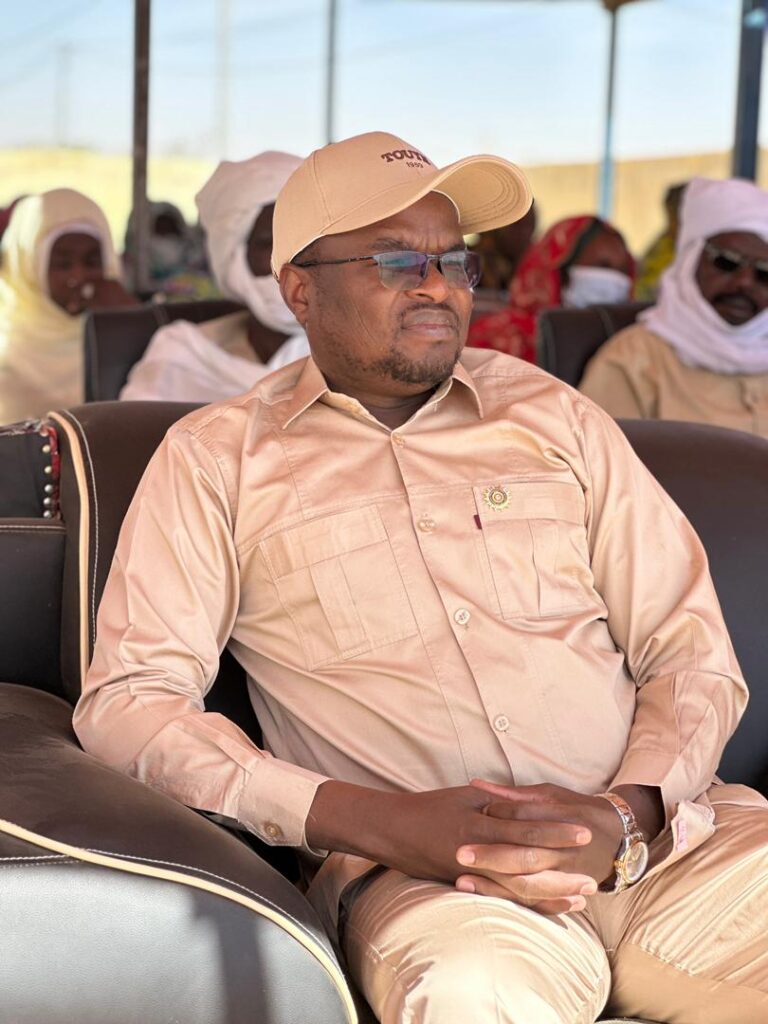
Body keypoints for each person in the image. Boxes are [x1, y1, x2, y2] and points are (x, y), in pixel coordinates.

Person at [75, 132, 768, 1024]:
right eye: (398, 260)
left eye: (456, 261)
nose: (439, 285)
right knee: (475, 998)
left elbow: (690, 647)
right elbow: (130, 701)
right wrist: (367, 820)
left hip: (670, 850)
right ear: (299, 288)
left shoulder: (552, 414)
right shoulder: (217, 460)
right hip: (434, 888)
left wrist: (629, 812)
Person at [580, 177, 768, 438]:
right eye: (727, 262)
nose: (744, 282)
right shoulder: (634, 360)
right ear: (689, 261)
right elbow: (598, 458)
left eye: (764, 272)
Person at [120, 152, 310, 403]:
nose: (289, 260)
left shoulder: (351, 358)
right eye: (269, 244)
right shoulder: (183, 356)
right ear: (235, 257)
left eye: (304, 242)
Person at [0, 188, 135, 424]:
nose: (78, 276)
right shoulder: (7, 347)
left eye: (92, 261)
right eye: (63, 264)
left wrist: (133, 320)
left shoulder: (119, 335)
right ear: (29, 267)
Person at [467, 214, 634, 362]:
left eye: (624, 270)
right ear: (562, 271)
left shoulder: (626, 342)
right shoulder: (498, 337)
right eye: (603, 266)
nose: (617, 280)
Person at [634, 182, 687, 302]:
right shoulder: (664, 243)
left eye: (675, 219)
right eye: (670, 218)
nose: (670, 227)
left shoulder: (697, 249)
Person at [468, 201, 537, 290]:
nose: (524, 233)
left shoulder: (537, 264)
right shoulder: (467, 263)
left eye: (529, 225)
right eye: (516, 224)